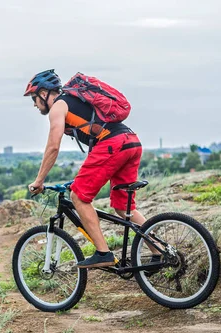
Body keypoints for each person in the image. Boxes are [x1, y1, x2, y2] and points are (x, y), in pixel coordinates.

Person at [24, 69, 149, 268]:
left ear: (44, 93)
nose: (34, 104)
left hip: (113, 144)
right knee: (123, 207)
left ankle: (103, 253)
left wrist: (39, 180)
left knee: (79, 197)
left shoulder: (59, 106)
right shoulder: (75, 101)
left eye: (34, 97)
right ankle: (160, 251)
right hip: (131, 142)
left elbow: (53, 146)